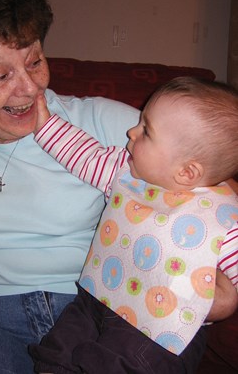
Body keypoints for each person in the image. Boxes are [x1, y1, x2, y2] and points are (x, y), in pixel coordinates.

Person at [0, 0, 235, 373]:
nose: (29, 88)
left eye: (35, 61)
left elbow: (207, 180)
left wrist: (219, 290)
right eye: (0, 74)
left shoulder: (108, 124)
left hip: (107, 311)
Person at [29, 77, 238, 374]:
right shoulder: (123, 173)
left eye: (145, 130)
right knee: (58, 348)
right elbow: (85, 155)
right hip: (96, 300)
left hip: (158, 331)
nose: (131, 131)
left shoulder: (225, 220)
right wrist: (46, 125)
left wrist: (218, 303)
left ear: (187, 171)